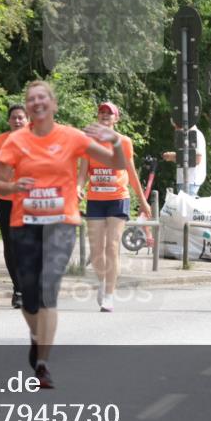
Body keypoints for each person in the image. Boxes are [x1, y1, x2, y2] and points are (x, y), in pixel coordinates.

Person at [0, 81, 126, 388]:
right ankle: (36, 335)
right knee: (29, 297)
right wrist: (13, 187)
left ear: (53, 105)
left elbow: (117, 163)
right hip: (24, 222)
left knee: (47, 288)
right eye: (31, 99)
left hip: (61, 222)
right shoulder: (14, 141)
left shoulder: (71, 136)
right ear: (27, 107)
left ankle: (42, 363)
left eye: (43, 98)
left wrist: (115, 141)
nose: (36, 103)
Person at [78, 101, 152, 312]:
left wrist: (143, 200)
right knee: (96, 251)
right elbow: (83, 172)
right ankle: (103, 283)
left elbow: (131, 172)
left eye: (109, 114)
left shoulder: (123, 142)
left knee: (112, 246)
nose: (104, 116)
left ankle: (109, 295)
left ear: (116, 119)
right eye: (101, 112)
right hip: (95, 199)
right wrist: (77, 188)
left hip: (118, 197)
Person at [0, 104, 29, 308]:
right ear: (8, 121)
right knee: (11, 246)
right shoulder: (0, 140)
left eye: (21, 118)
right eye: (14, 118)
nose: (17, 121)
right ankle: (18, 289)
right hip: (5, 201)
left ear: (28, 120)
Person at [162, 121, 206, 196]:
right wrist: (174, 157)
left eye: (177, 127)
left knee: (186, 206)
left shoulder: (195, 134)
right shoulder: (187, 135)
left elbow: (197, 159)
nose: (175, 129)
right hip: (186, 180)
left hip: (190, 181)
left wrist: (174, 156)